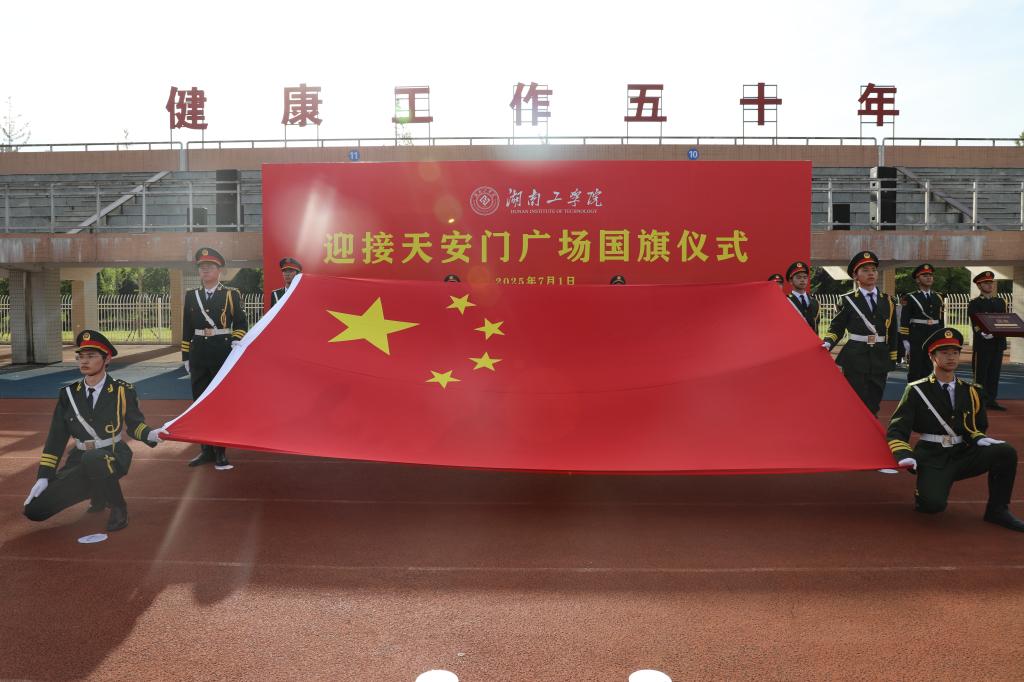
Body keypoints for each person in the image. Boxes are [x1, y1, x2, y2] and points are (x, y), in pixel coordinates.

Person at [23, 331, 166, 532]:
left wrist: (151, 434)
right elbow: (56, 438)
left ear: (107, 359)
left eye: (91, 356)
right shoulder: (68, 394)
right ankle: (98, 490)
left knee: (95, 459)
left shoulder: (122, 391)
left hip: (113, 454)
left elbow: (135, 425)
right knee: (35, 510)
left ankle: (118, 506)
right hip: (79, 460)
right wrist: (44, 476)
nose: (84, 361)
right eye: (81, 356)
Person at [886, 327, 1022, 531]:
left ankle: (997, 510)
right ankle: (925, 493)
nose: (951, 357)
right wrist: (904, 454)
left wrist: (978, 438)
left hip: (962, 453)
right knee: (932, 506)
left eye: (955, 353)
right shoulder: (916, 390)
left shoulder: (971, 391)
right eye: (944, 353)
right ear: (932, 356)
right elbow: (897, 428)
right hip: (932, 455)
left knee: (1006, 452)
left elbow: (977, 426)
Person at [181, 247, 248, 470]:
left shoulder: (231, 294)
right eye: (202, 267)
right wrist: (185, 355)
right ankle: (206, 451)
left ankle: (220, 452)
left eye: (210, 266)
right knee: (199, 403)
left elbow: (241, 322)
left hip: (222, 352)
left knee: (219, 404)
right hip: (199, 353)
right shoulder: (192, 296)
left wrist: (236, 341)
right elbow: (187, 327)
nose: (205, 270)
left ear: (220, 270)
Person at [821, 251, 898, 416]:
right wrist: (828, 342)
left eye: (873, 270)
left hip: (879, 356)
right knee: (856, 401)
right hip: (855, 356)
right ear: (855, 276)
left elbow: (892, 331)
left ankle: (870, 428)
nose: (871, 273)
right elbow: (837, 327)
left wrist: (892, 356)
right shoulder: (848, 300)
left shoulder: (888, 301)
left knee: (875, 400)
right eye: (865, 270)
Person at [967, 270, 1008, 411]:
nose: (990, 285)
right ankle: (979, 400)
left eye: (991, 282)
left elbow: (1004, 320)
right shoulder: (975, 303)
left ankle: (991, 400)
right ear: (979, 286)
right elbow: (975, 322)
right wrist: (982, 333)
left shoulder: (1000, 302)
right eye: (986, 283)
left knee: (994, 373)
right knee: (981, 374)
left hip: (998, 343)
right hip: (983, 344)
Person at [898, 263, 943, 383]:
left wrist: (941, 336)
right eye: (925, 276)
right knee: (916, 369)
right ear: (918, 280)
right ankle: (913, 392)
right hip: (917, 337)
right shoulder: (911, 297)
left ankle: (929, 392)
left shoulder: (937, 297)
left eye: (930, 275)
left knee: (932, 367)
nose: (929, 278)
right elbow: (904, 320)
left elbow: (940, 320)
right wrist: (905, 339)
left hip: (933, 335)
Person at [785, 261, 819, 330]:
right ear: (791, 281)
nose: (802, 280)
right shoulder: (786, 301)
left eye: (805, 277)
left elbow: (816, 327)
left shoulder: (814, 302)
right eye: (798, 277)